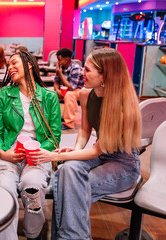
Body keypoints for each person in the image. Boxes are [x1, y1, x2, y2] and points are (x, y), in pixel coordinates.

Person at [32, 48, 141, 240]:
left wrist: (56, 156)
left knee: (70, 186)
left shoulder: (122, 105)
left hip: (124, 165)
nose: (82, 72)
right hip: (100, 155)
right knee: (67, 171)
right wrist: (75, 150)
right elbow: (84, 131)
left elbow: (95, 151)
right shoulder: (86, 94)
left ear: (104, 75)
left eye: (87, 70)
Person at [0, 50, 61, 240]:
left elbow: (54, 138)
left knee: (33, 185)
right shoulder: (4, 95)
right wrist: (3, 153)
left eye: (14, 63)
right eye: (8, 65)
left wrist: (36, 151)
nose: (10, 68)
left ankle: (33, 233)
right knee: (5, 188)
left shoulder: (49, 97)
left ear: (29, 64)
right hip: (8, 154)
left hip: (37, 155)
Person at [53, 48, 84, 130]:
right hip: (66, 89)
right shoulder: (60, 67)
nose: (58, 62)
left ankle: (69, 124)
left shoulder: (75, 68)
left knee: (69, 95)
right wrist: (57, 90)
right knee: (50, 93)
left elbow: (72, 87)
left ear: (67, 59)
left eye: (59, 60)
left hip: (79, 90)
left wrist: (60, 74)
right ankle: (54, 118)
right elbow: (56, 82)